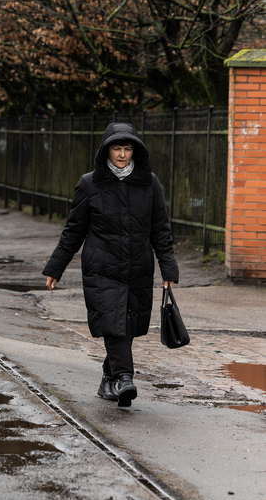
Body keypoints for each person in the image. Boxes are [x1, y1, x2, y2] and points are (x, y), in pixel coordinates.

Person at [42, 122, 179, 408]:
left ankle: (109, 376)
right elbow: (74, 230)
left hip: (138, 267)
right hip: (102, 266)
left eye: (127, 148)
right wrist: (56, 267)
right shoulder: (90, 183)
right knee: (113, 321)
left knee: (126, 323)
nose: (122, 154)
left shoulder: (149, 182)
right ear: (106, 150)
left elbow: (161, 229)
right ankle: (124, 378)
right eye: (117, 148)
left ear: (135, 151)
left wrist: (168, 268)